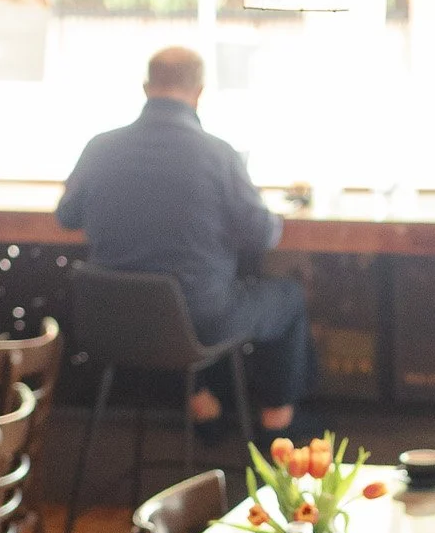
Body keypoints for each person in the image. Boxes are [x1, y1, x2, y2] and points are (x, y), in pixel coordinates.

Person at [56, 46, 315, 435]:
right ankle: (278, 423)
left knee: (183, 292)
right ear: (199, 91)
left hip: (112, 320)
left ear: (146, 88)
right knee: (286, 298)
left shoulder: (100, 147)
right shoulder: (218, 154)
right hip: (198, 322)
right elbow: (262, 235)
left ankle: (203, 407)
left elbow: (66, 216)